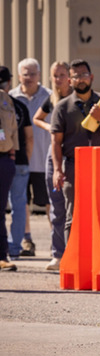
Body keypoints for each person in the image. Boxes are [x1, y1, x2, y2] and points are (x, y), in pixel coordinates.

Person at [51, 59, 100, 243]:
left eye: (84, 75)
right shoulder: (62, 107)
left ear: (91, 77)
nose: (81, 80)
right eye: (76, 76)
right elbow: (56, 142)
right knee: (72, 217)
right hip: (73, 168)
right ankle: (71, 264)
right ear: (69, 81)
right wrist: (58, 170)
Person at [9, 58, 52, 257]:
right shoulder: (10, 98)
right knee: (23, 202)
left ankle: (57, 241)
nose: (29, 78)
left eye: (32, 73)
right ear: (18, 76)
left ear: (39, 75)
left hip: (43, 160)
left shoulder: (50, 97)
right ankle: (27, 239)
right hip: (21, 161)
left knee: (49, 202)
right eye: (25, 74)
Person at [33, 61, 73, 271]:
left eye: (62, 75)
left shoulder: (77, 97)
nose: (58, 79)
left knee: (73, 207)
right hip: (53, 155)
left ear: (70, 77)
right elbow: (37, 118)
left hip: (72, 155)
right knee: (56, 205)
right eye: (54, 76)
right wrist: (51, 126)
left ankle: (74, 252)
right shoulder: (52, 99)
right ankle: (58, 254)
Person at [2, 67, 34, 263]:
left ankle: (4, 248)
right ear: (9, 82)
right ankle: (15, 247)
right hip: (19, 161)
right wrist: (25, 159)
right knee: (19, 206)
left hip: (4, 158)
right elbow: (29, 138)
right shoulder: (18, 106)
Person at [0, 69, 19, 271]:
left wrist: (12, 155)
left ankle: (1, 255)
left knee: (0, 212)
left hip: (4, 160)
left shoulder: (6, 100)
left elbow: (11, 129)